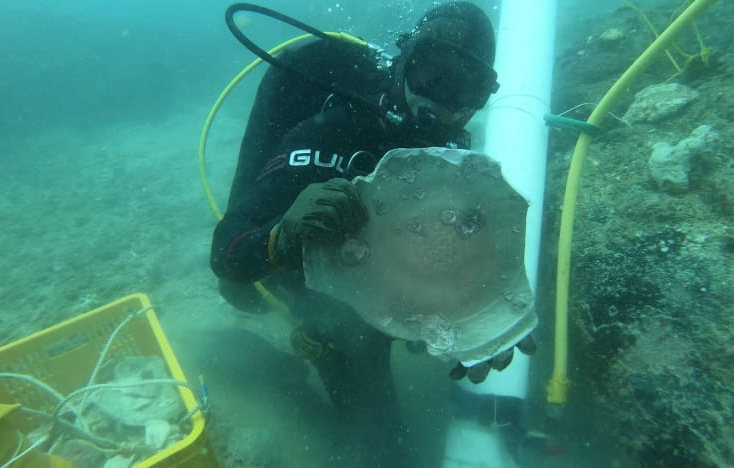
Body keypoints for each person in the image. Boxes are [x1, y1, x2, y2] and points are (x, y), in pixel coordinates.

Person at [211, 2, 513, 466]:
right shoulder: (334, 130)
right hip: (318, 284)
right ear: (406, 60)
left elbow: (457, 256)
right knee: (379, 442)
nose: (440, 100)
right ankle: (269, 374)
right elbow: (227, 256)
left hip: (383, 272)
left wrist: (483, 316)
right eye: (431, 73)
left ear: (480, 98)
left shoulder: (451, 159)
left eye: (464, 87)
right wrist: (281, 236)